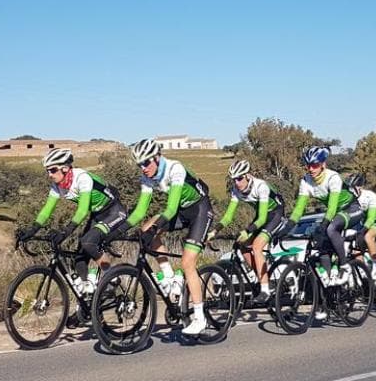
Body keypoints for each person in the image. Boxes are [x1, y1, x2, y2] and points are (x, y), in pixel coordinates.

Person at [125, 138, 214, 336]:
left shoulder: (175, 169)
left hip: (200, 210)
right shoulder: (147, 178)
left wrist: (155, 226)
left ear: (157, 157)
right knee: (145, 227)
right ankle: (169, 277)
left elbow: (171, 208)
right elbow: (140, 211)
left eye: (146, 162)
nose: (143, 168)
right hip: (182, 211)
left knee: (187, 262)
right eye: (139, 164)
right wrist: (120, 229)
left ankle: (200, 317)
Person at [15, 148, 129, 295]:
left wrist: (65, 232)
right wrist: (31, 230)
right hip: (97, 214)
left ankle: (111, 277)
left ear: (65, 168)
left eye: (53, 170)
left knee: (88, 242)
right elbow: (46, 210)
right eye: (47, 171)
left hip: (114, 211)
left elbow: (82, 211)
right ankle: (89, 295)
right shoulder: (57, 186)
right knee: (80, 256)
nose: (50, 175)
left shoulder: (82, 178)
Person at [211, 160, 288, 305]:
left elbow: (263, 218)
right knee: (243, 245)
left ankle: (265, 289)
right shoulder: (236, 191)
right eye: (233, 179)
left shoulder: (261, 186)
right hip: (260, 216)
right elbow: (228, 217)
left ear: (247, 175)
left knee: (257, 246)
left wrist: (247, 230)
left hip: (275, 214)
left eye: (239, 178)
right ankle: (262, 277)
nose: (237, 182)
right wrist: (214, 231)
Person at [288, 146, 363, 287]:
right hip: (334, 213)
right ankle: (329, 293)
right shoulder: (306, 181)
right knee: (322, 248)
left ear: (323, 164)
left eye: (315, 165)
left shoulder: (332, 177)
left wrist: (323, 226)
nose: (311, 169)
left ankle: (344, 264)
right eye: (308, 165)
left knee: (330, 229)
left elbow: (332, 207)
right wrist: (288, 227)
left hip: (351, 208)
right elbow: (298, 209)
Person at [346, 173, 376, 280]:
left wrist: (362, 231)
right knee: (356, 247)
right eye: (349, 189)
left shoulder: (370, 196)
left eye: (353, 188)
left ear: (360, 187)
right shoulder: (349, 199)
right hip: (366, 223)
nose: (351, 192)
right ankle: (363, 272)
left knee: (368, 236)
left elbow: (371, 218)